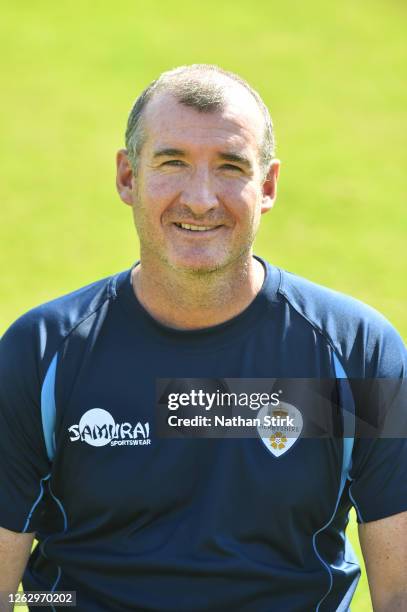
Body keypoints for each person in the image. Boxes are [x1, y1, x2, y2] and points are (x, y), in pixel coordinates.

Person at [0, 64, 406, 612]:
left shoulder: (357, 353)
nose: (200, 199)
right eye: (172, 163)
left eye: (230, 167)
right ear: (127, 177)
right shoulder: (41, 351)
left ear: (267, 187)